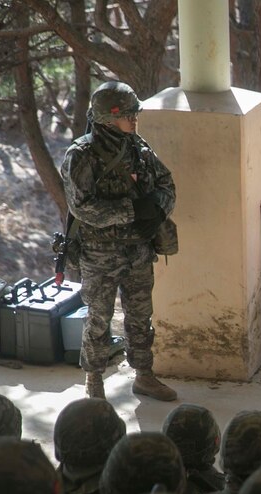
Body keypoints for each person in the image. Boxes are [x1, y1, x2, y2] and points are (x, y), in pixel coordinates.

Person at [60, 80, 177, 402]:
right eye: (128, 115)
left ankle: (144, 375)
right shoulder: (81, 155)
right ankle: (94, 380)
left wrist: (156, 208)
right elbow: (83, 208)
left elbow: (167, 183)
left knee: (141, 317)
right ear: (107, 119)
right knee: (98, 319)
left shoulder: (138, 147)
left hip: (138, 249)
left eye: (134, 114)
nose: (134, 119)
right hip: (100, 254)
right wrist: (131, 210)